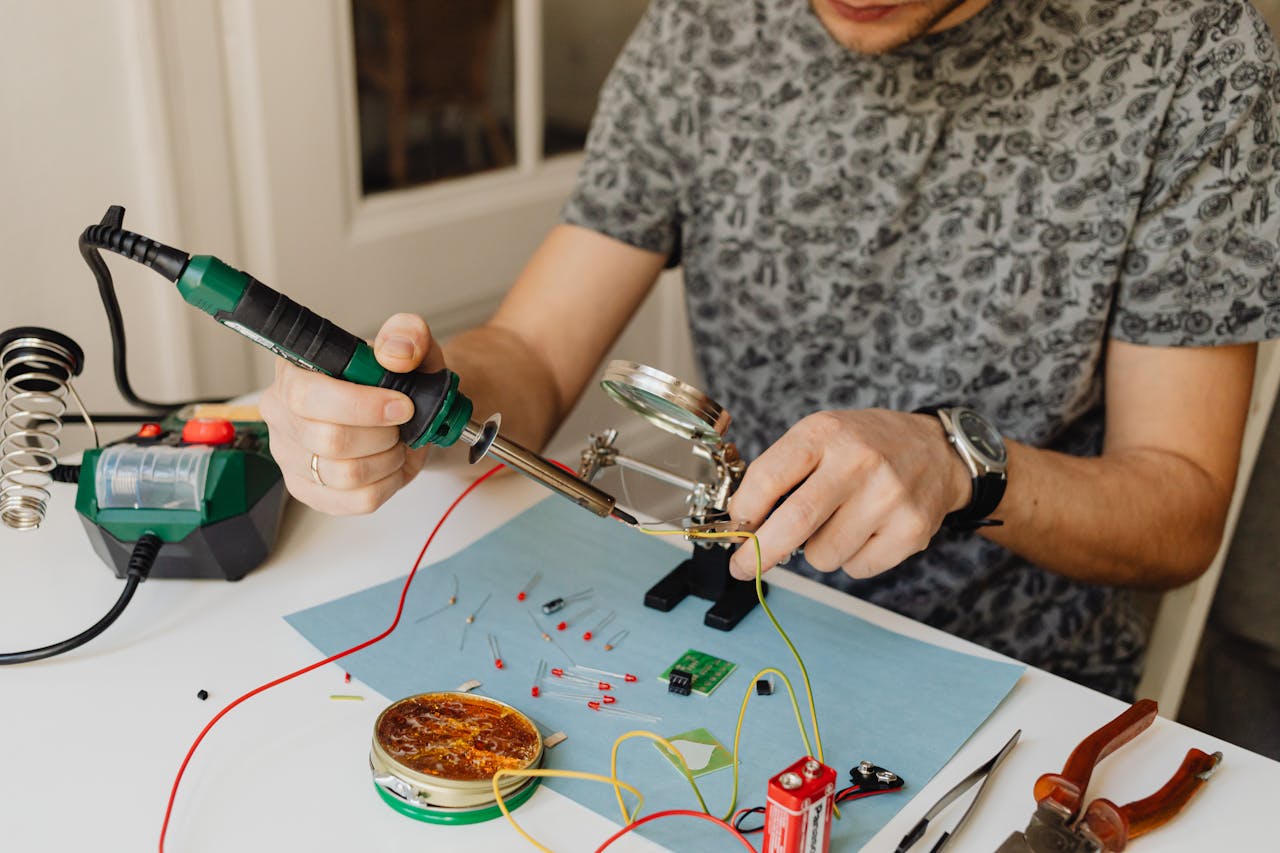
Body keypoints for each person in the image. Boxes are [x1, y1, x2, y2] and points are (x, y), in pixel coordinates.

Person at [260, 0, 1280, 699]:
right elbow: (530, 349)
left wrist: (963, 467)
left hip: (1014, 678)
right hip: (736, 613)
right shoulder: (705, 28)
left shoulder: (1186, 51)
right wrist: (413, 403)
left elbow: (1178, 503)